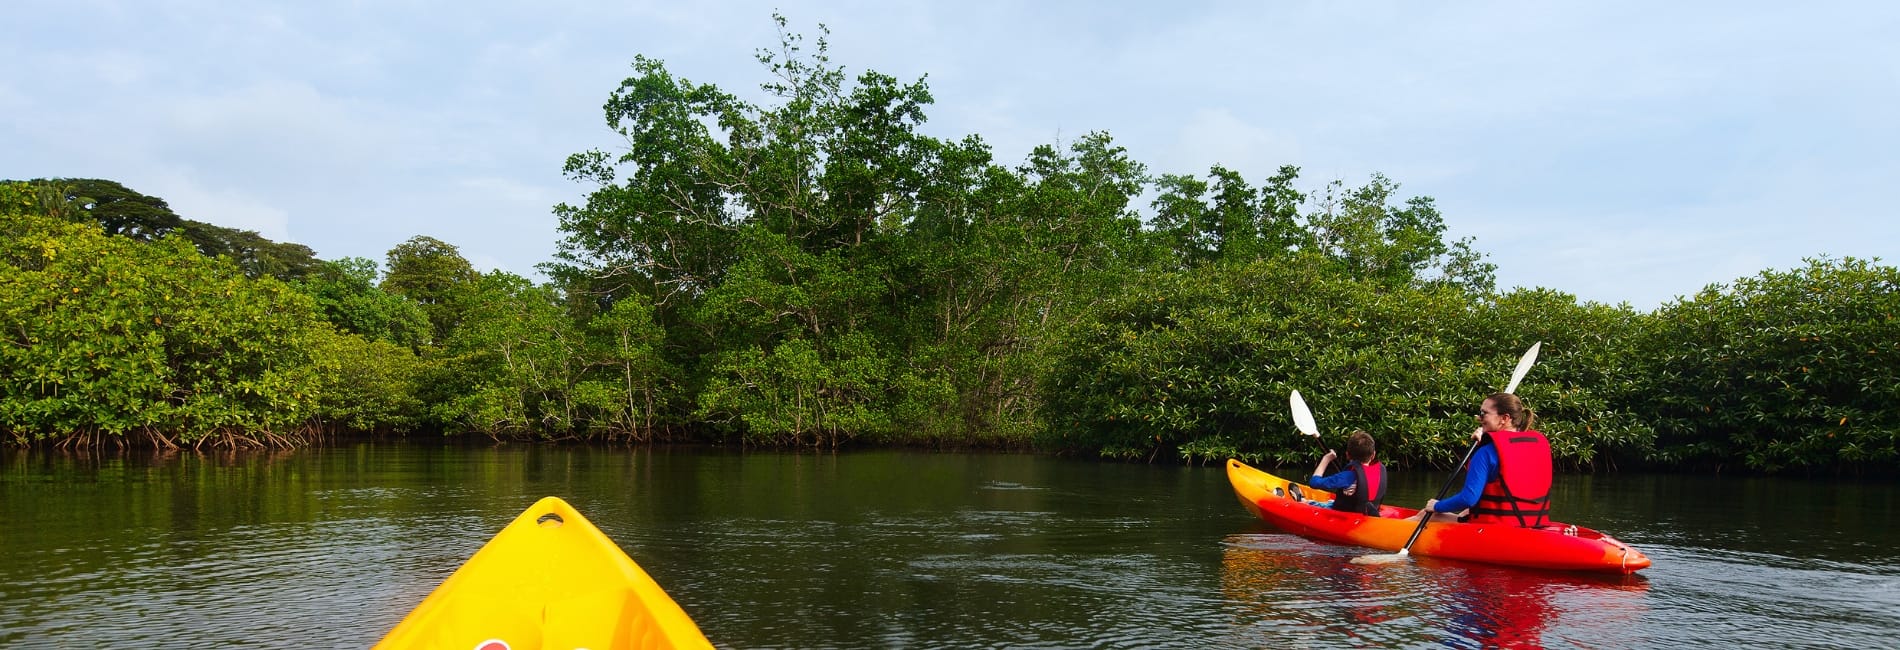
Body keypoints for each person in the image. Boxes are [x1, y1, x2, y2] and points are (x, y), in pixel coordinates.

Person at [1412, 393, 1552, 527]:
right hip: (1532, 524)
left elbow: (1468, 498)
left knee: (1426, 514)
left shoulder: (1486, 452)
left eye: (1484, 413)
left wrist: (1437, 506)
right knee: (1466, 512)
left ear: (1504, 418)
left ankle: (1391, 531)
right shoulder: (1535, 447)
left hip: (1494, 530)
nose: (1478, 418)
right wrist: (1479, 443)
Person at [1308, 429, 1386, 516]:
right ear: (1373, 455)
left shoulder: (1347, 476)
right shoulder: (1379, 472)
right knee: (1330, 501)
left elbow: (1314, 483)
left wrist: (1326, 459)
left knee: (1308, 503)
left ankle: (1302, 500)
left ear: (1347, 455)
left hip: (1347, 516)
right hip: (1369, 513)